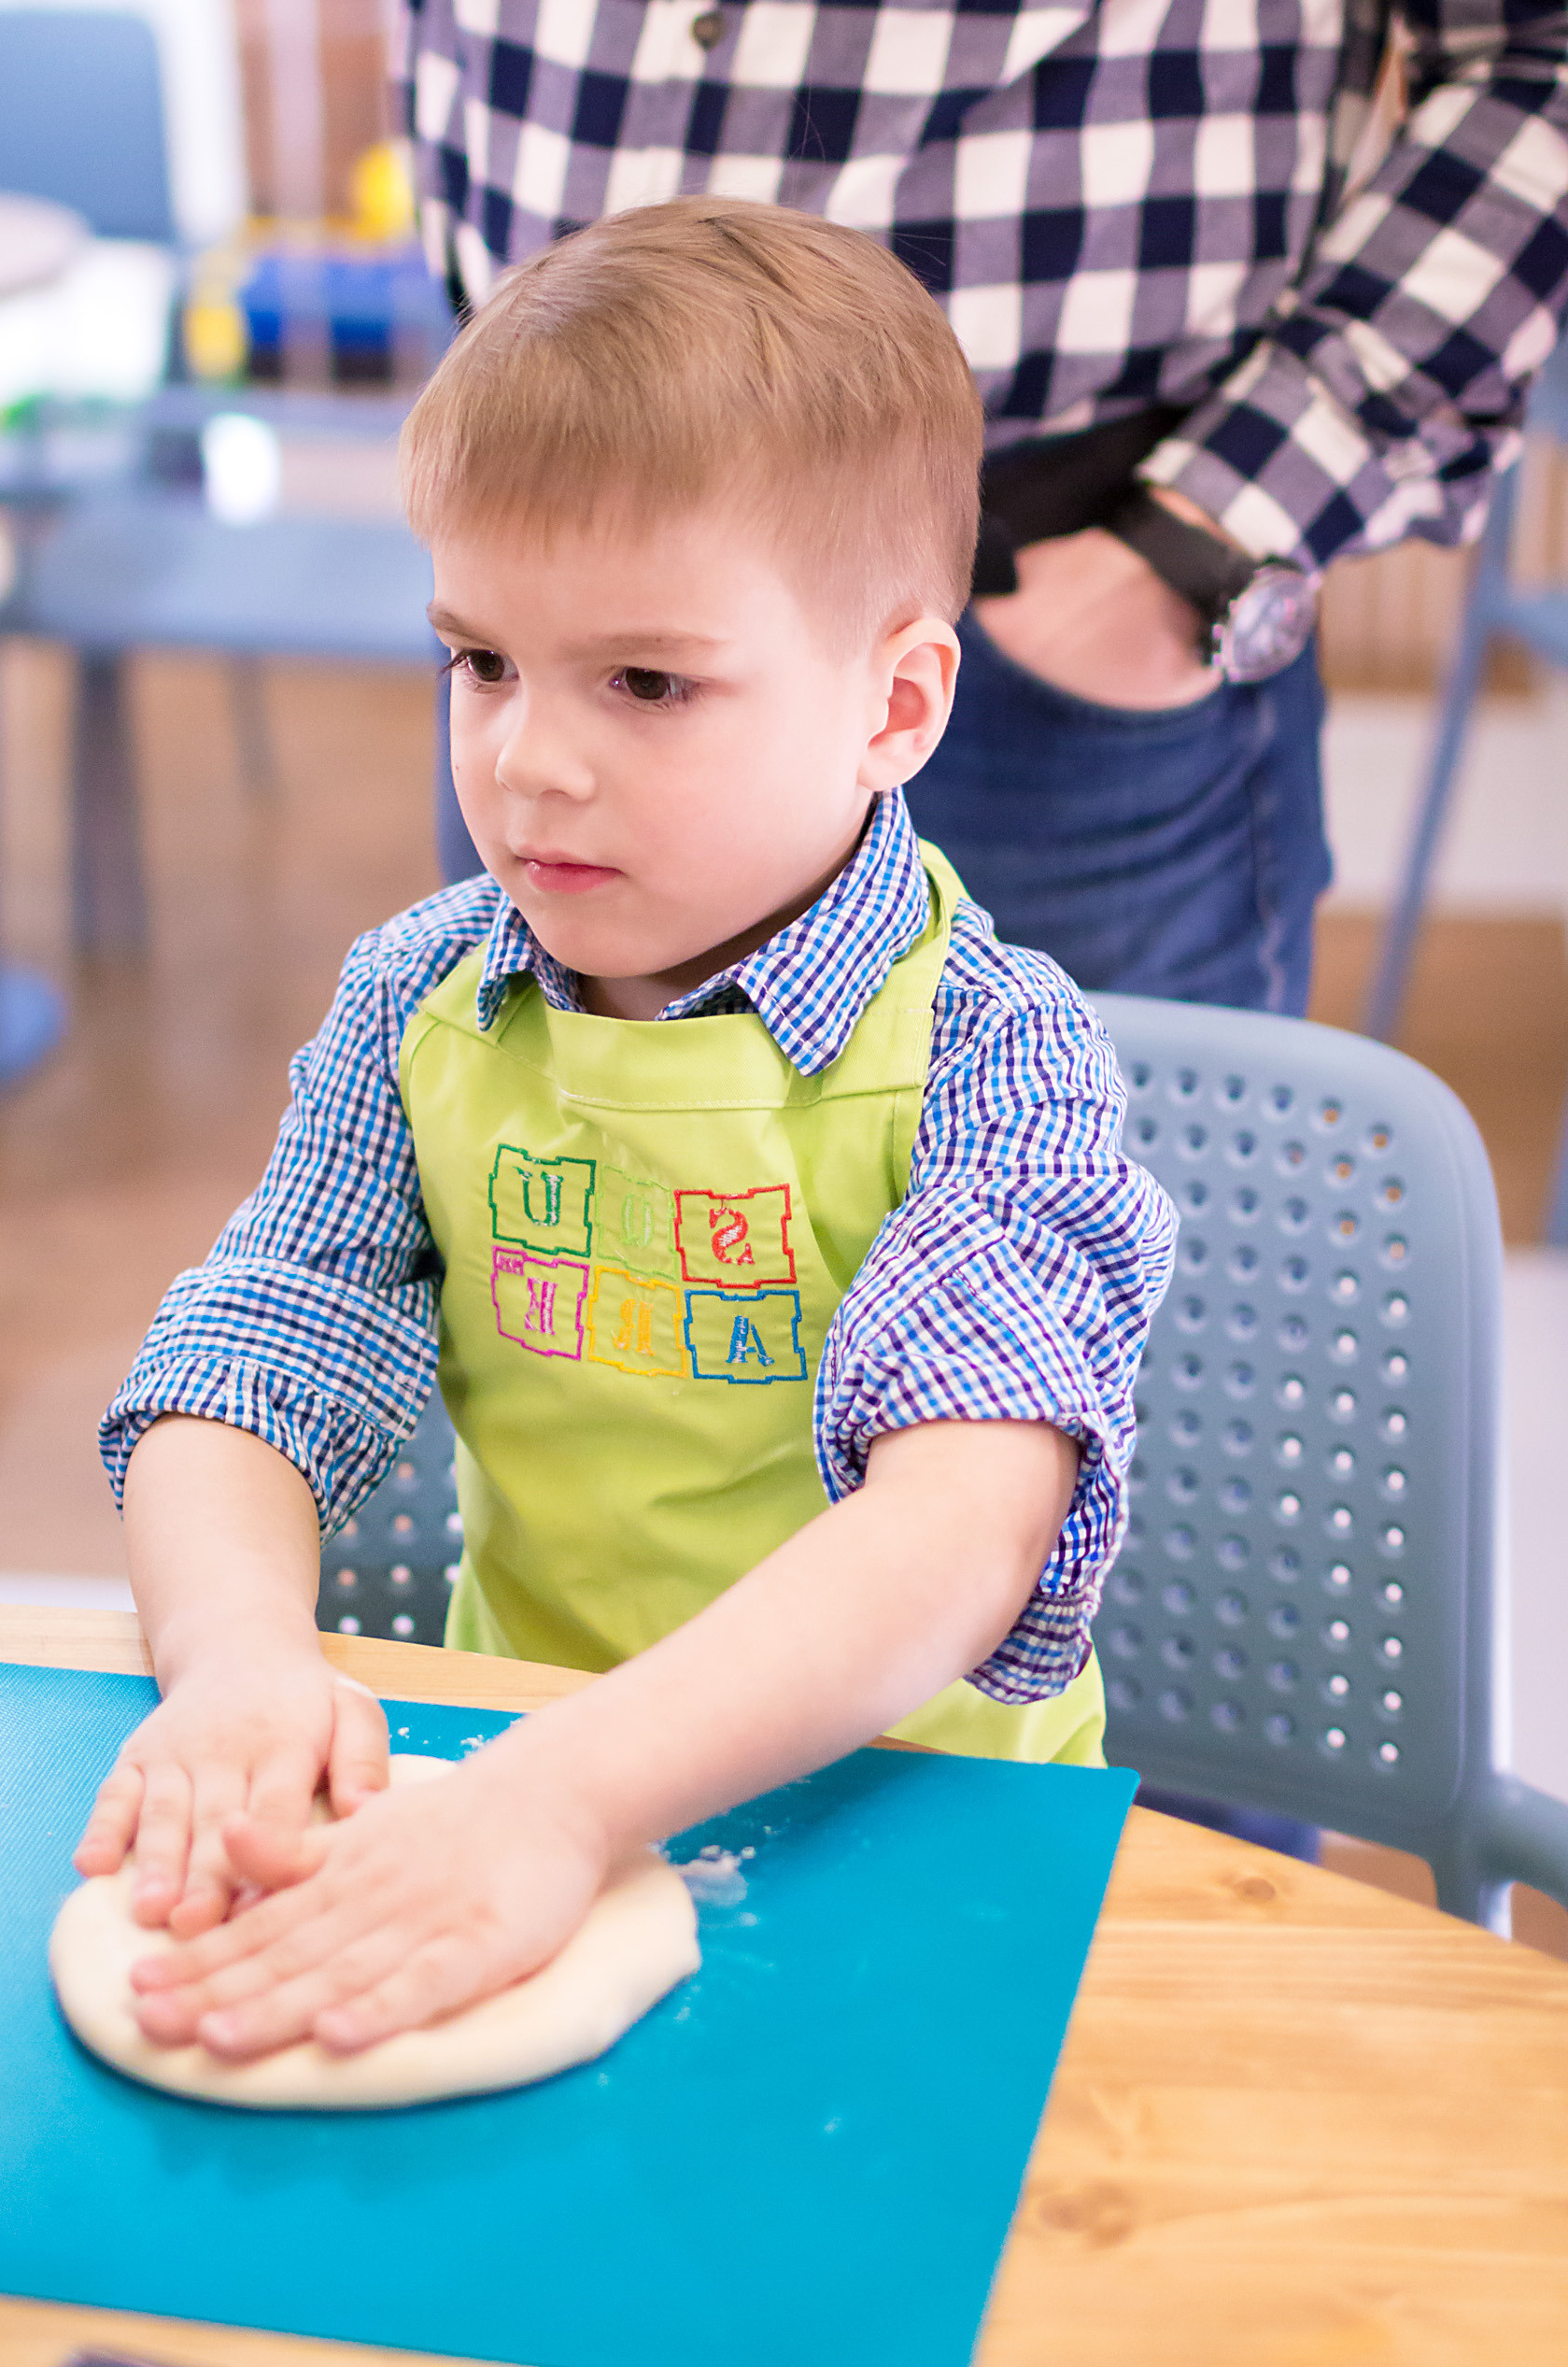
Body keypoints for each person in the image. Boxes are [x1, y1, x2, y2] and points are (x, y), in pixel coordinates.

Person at [38, 0, 1568, 1013]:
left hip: (1063, 609)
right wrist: (515, 655)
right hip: (551, 549)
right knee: (549, 1260)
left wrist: (1194, 551)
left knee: (1067, 1270)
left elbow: (1539, 43)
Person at [77, 203, 1174, 2063]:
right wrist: (241, 1655)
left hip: (900, 1832)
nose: (526, 761)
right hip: (500, 1789)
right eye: (482, 661)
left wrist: (572, 1796)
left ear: (894, 705)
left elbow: (961, 1528)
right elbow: (254, 1355)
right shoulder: (420, 1002)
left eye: (645, 683)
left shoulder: (997, 1056)